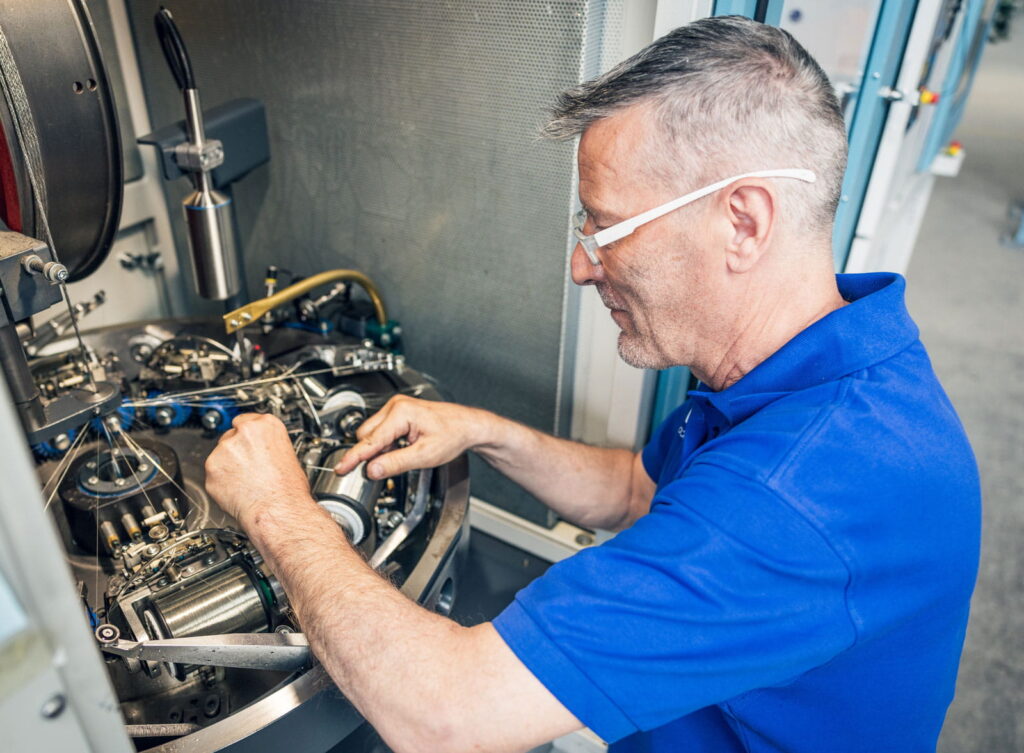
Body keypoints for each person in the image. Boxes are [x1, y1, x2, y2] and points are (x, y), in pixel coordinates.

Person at [204, 16, 980, 753]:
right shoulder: (813, 365)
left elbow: (446, 715)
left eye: (606, 227)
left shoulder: (798, 494)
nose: (581, 265)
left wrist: (277, 509)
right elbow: (638, 490)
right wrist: (484, 431)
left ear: (743, 223)